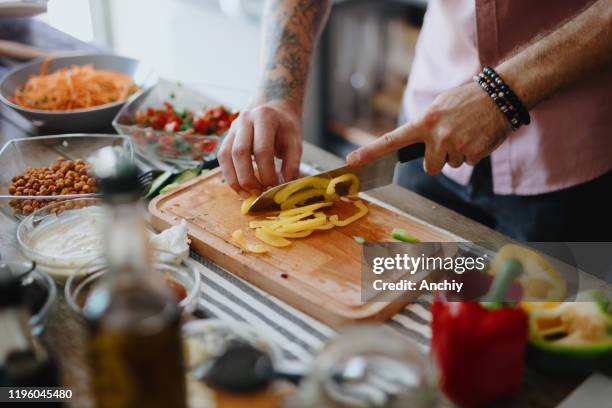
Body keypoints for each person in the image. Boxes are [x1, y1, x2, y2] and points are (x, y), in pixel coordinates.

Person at [218, 0, 612, 241]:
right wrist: (278, 91)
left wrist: (503, 92)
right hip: (424, 141)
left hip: (574, 163)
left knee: (550, 333)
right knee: (399, 292)